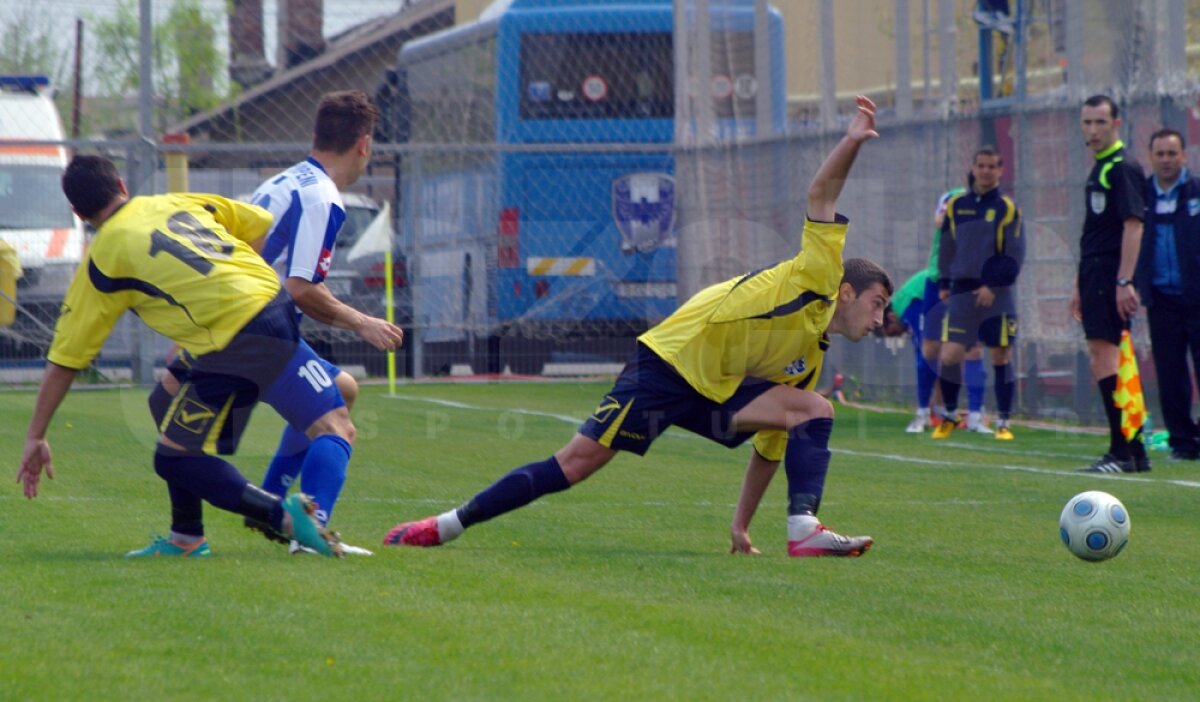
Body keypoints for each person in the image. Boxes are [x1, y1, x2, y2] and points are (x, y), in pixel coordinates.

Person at [385, 96, 890, 557]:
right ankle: (447, 524)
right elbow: (821, 193)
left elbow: (769, 450)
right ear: (847, 291)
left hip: (716, 390)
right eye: (877, 303)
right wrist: (850, 141)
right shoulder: (821, 275)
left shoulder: (808, 358)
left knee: (812, 409)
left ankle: (803, 527)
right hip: (668, 365)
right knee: (575, 465)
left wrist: (740, 526)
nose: (881, 319)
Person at [16, 154, 346, 558]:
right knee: (167, 397)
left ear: (77, 212)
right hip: (274, 308)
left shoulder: (103, 258)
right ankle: (186, 537)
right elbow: (259, 224)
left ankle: (286, 519)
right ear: (122, 185)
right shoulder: (174, 201)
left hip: (234, 336)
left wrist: (35, 435)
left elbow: (65, 359)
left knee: (173, 459)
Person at [245, 90, 403, 536]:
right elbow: (300, 290)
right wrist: (363, 321)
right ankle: (310, 531)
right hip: (253, 329)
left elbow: (287, 271)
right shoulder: (322, 197)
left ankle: (270, 503)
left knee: (343, 388)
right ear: (364, 145)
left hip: (234, 318)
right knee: (339, 427)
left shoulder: (288, 180)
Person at [1073, 95, 1151, 473]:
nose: (1092, 130)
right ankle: (1134, 452)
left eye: (1100, 122)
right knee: (1110, 356)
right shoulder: (1101, 167)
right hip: (1095, 272)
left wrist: (1125, 279)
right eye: (1087, 122)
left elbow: (1133, 225)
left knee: (1108, 356)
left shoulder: (1122, 167)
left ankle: (1121, 451)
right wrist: (1078, 283)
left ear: (1116, 124)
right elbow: (1093, 232)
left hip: (1109, 274)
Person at [931, 146, 1025, 441]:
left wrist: (993, 287)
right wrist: (945, 284)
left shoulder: (1007, 209)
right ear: (973, 168)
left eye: (991, 166)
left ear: (1000, 171)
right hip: (961, 290)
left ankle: (1004, 422)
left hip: (997, 293)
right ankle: (948, 415)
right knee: (950, 354)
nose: (985, 171)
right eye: (980, 166)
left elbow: (1015, 254)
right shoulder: (957, 205)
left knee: (1000, 355)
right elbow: (946, 247)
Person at [899, 189, 990, 435]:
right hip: (939, 281)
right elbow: (940, 221)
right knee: (931, 347)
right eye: (979, 167)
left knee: (973, 348)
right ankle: (922, 414)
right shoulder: (953, 197)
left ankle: (975, 417)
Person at [1136, 128, 1200, 461]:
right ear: (1151, 157)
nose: (1166, 160)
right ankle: (1183, 443)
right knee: (1171, 375)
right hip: (1161, 301)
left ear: (1184, 156)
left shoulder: (1196, 190)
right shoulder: (1142, 195)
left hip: (1197, 299)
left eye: (1172, 153)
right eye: (1160, 154)